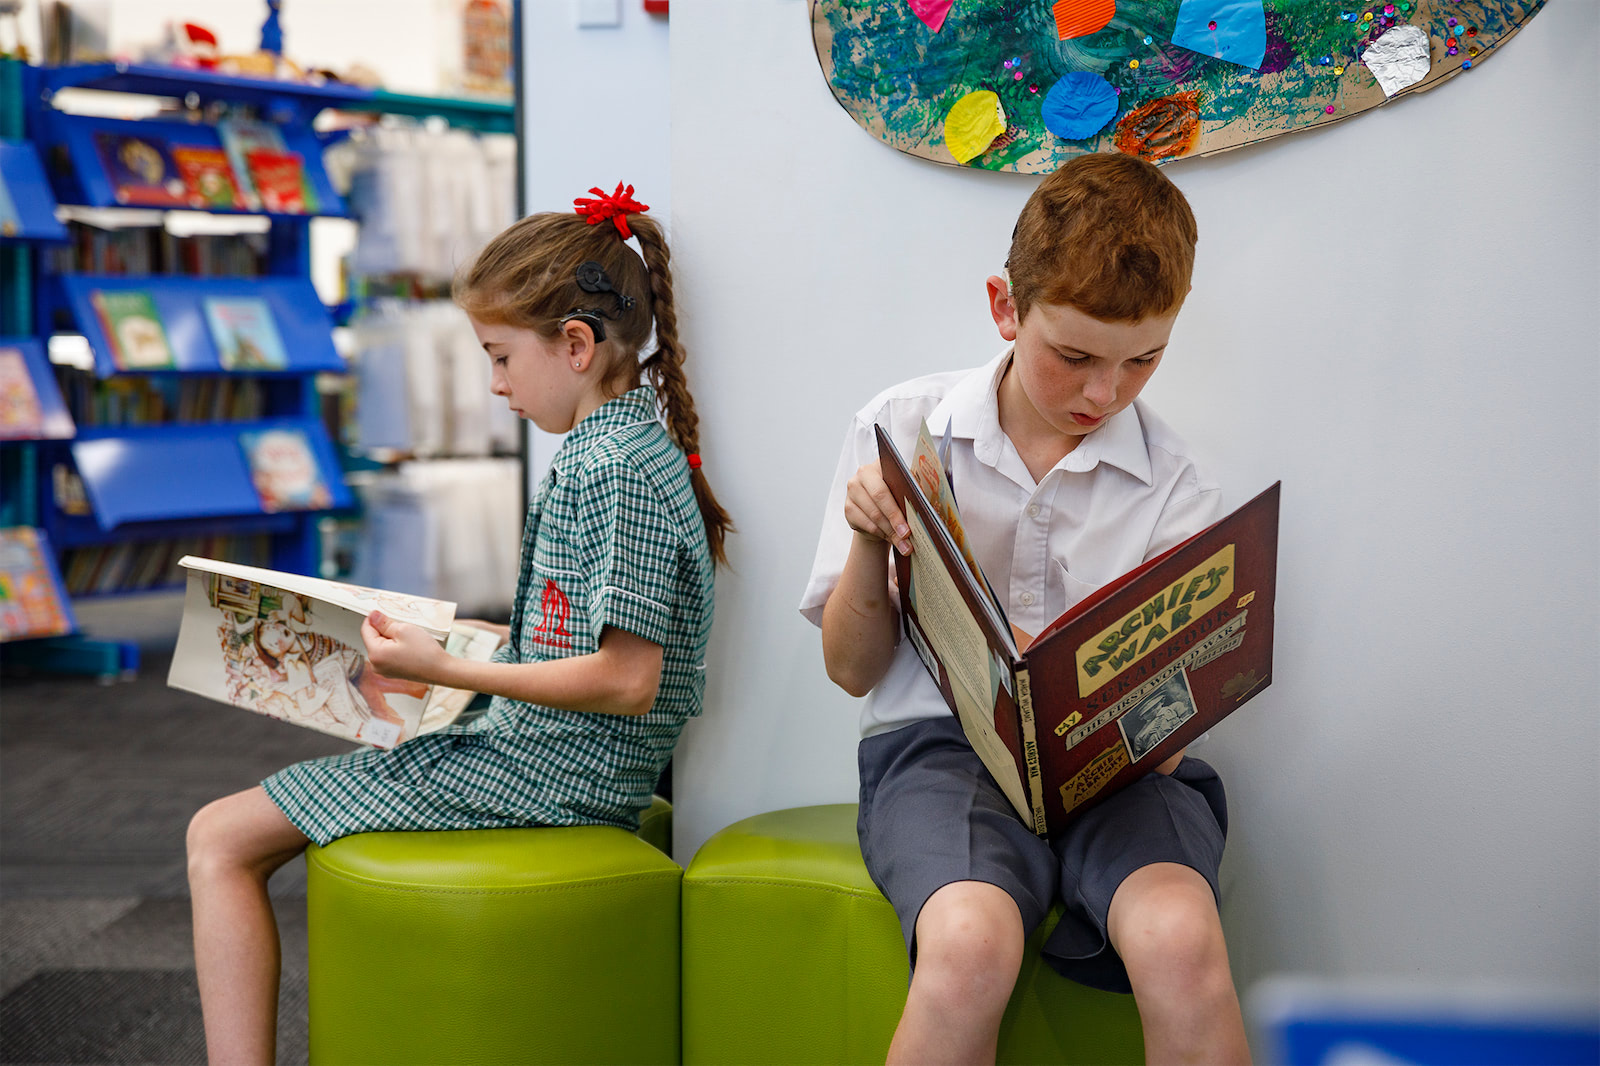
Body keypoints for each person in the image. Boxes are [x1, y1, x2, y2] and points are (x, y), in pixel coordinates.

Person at [186, 182, 730, 1066]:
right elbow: (577, 641)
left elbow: (628, 680)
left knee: (218, 838)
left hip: (546, 780)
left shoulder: (614, 469)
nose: (495, 384)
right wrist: (463, 653)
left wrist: (451, 671)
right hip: (539, 756)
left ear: (579, 346)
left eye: (501, 357)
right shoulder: (622, 450)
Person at [799, 153, 1249, 1065]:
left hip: (1119, 775)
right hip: (939, 753)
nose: (1103, 394)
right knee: (966, 943)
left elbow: (1174, 724)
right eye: (1074, 356)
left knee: (1180, 937)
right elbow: (850, 670)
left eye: (1143, 361)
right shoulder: (903, 425)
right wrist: (866, 539)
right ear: (1005, 307)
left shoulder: (1175, 484)